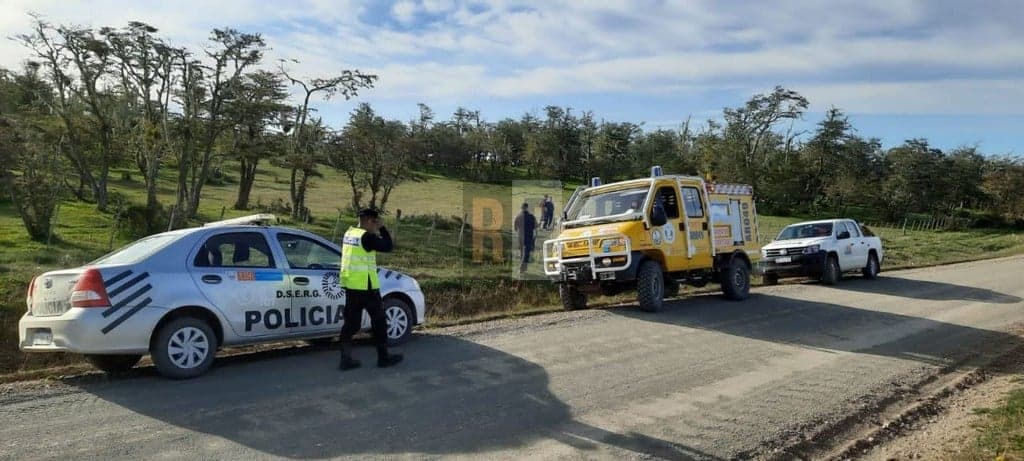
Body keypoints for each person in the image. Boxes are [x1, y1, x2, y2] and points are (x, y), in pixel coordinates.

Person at [337, 208, 403, 370]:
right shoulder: (366, 237)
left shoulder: (349, 233)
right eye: (375, 222)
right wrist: (383, 228)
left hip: (351, 285)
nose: (376, 226)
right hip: (366, 287)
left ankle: (345, 359)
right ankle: (383, 358)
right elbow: (388, 246)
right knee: (379, 322)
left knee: (351, 325)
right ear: (369, 221)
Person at [513, 202, 537, 274]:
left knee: (522, 252)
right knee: (526, 253)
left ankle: (524, 268)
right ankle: (521, 268)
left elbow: (515, 228)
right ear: (527, 208)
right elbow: (535, 227)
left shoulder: (518, 216)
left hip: (520, 237)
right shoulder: (532, 216)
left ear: (521, 208)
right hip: (529, 237)